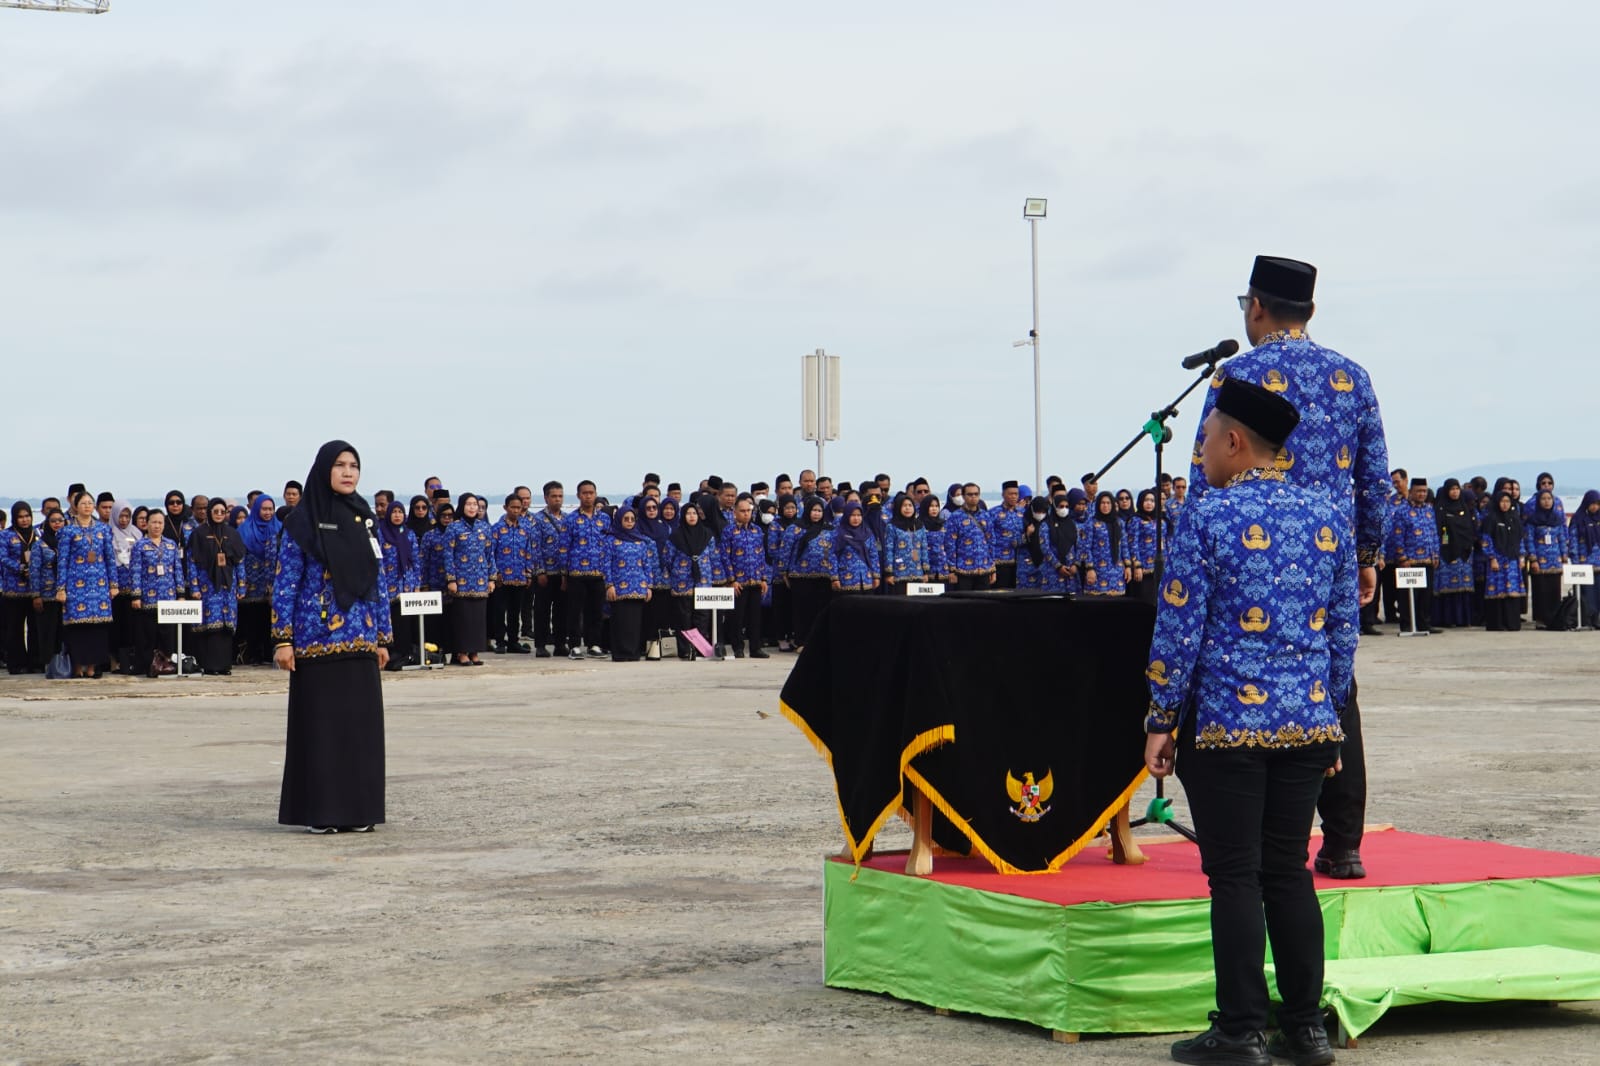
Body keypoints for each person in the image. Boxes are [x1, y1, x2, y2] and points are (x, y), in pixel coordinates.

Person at [1147, 378, 1349, 1066]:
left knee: (1234, 875)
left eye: (1205, 439)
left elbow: (1178, 626)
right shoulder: (1328, 517)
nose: (1198, 452)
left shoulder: (1207, 516)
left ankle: (1239, 1032)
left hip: (1228, 723)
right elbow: (1343, 632)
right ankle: (1304, 1028)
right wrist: (1330, 716)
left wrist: (1159, 718)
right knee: (1289, 873)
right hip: (1307, 724)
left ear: (1235, 442)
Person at [1190, 254, 1390, 884]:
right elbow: (1375, 481)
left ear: (1255, 307)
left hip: (1244, 562)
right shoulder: (1351, 377)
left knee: (1238, 678)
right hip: (1323, 560)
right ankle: (1343, 842)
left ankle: (1248, 838)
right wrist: (1364, 559)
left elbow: (1206, 474)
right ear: (1309, 310)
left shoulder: (1236, 377)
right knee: (1336, 686)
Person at [274, 440, 391, 834]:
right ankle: (322, 812)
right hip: (314, 640)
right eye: (339, 465)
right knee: (322, 730)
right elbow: (286, 582)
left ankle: (360, 811)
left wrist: (383, 637)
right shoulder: (300, 523)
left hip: (360, 639)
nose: (347, 472)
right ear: (324, 469)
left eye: (354, 466)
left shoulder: (365, 519)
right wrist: (282, 638)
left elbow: (379, 582)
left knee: (360, 730)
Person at [55, 490, 119, 679]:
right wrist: (61, 588)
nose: (87, 506)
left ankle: (92, 667)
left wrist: (113, 584)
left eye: (90, 503)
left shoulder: (102, 530)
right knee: (77, 629)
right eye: (83, 503)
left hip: (99, 585)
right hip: (76, 585)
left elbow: (109, 558)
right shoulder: (68, 531)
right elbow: (63, 561)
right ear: (76, 507)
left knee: (97, 630)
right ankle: (77, 667)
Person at [185, 498, 245, 675]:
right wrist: (194, 588)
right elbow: (192, 562)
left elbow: (239, 561)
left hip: (228, 585)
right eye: (215, 511)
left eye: (222, 511)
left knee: (225, 627)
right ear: (210, 512)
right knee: (210, 626)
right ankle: (210, 665)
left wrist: (241, 586)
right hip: (207, 586)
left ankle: (224, 665)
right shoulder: (199, 533)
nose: (219, 514)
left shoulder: (232, 533)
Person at [663, 502, 728, 659]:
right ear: (683, 516)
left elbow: (714, 558)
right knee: (684, 617)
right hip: (682, 582)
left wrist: (720, 580)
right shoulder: (675, 537)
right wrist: (672, 578)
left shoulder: (707, 535)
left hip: (703, 582)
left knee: (702, 617)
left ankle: (700, 649)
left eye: (694, 513)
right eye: (688, 513)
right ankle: (685, 650)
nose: (691, 516)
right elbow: (667, 560)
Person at [559, 480, 610, 660]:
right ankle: (574, 645)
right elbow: (564, 547)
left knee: (596, 611)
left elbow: (608, 545)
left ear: (595, 494)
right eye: (584, 493)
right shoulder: (570, 519)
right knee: (574, 611)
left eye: (591, 493)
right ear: (579, 495)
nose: (588, 496)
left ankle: (593, 644)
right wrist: (564, 575)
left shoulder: (604, 519)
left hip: (598, 573)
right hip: (576, 573)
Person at [602, 507, 660, 662]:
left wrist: (649, 586)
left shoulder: (641, 541)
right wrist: (609, 585)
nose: (629, 522)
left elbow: (647, 565)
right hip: (619, 587)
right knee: (620, 622)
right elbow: (606, 564)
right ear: (619, 520)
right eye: (625, 519)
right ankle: (621, 653)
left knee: (635, 623)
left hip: (638, 586)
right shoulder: (611, 540)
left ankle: (633, 653)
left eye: (632, 519)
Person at [1385, 477, 1441, 634]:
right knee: (1409, 596)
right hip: (1410, 560)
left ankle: (1424, 624)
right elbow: (1397, 536)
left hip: (1428, 559)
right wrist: (1402, 557)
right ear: (1411, 491)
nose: (1422, 494)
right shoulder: (1402, 511)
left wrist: (1435, 555)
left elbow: (1434, 534)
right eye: (1418, 491)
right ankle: (1408, 624)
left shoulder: (1429, 510)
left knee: (1426, 595)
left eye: (1424, 491)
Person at [444, 492, 495, 666]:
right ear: (461, 506)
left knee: (478, 619)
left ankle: (475, 652)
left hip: (481, 579)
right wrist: (451, 579)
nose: (473, 507)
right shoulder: (454, 527)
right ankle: (462, 652)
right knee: (463, 618)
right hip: (462, 580)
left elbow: (490, 554)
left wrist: (491, 578)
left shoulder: (484, 528)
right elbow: (448, 555)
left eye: (475, 504)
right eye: (469, 504)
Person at [721, 496, 769, 658]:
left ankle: (755, 648)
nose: (746, 514)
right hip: (738, 582)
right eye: (742, 511)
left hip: (755, 580)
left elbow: (762, 555)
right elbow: (725, 557)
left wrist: (764, 578)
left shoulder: (757, 530)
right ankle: (738, 647)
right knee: (737, 617)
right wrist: (731, 580)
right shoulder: (729, 531)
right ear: (735, 513)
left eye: (749, 511)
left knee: (755, 617)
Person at [237, 494, 282, 666]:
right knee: (252, 619)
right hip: (250, 582)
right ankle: (251, 653)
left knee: (269, 618)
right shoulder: (244, 529)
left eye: (271, 509)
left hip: (272, 582)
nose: (268, 512)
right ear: (256, 509)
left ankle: (268, 653)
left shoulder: (279, 528)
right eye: (264, 509)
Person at [377, 499, 421, 670]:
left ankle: (405, 653)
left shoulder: (408, 534)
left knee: (406, 622)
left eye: (400, 512)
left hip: (407, 585)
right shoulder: (381, 533)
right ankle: (390, 653)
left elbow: (416, 560)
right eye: (394, 512)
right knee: (391, 620)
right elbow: (377, 560)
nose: (397, 515)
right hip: (388, 585)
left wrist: (417, 583)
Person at [489, 493, 536, 654]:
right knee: (500, 611)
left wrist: (528, 574)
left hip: (520, 578)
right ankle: (500, 642)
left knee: (515, 612)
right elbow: (491, 553)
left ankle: (514, 641)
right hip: (502, 578)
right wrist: (495, 574)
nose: (516, 510)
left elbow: (529, 552)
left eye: (518, 507)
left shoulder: (526, 529)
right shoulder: (497, 528)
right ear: (505, 508)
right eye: (513, 507)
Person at [1, 502, 42, 673]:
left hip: (34, 589)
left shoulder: (38, 534)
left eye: (27, 516)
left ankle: (35, 662)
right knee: (15, 628)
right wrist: (20, 568)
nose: (24, 520)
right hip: (13, 590)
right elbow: (2, 557)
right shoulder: (6, 535)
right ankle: (17, 663)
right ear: (15, 518)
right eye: (20, 517)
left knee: (34, 628)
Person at [529, 481, 568, 658]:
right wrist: (540, 571)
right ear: (546, 497)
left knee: (562, 610)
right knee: (542, 610)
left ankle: (560, 644)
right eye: (554, 496)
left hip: (562, 573)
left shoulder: (568, 518)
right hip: (545, 572)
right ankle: (541, 645)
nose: (557, 499)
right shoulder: (537, 519)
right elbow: (535, 547)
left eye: (560, 496)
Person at [1432, 480, 1477, 628]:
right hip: (1446, 552)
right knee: (1447, 587)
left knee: (1464, 587)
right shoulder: (1440, 508)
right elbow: (1438, 531)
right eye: (1452, 489)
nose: (1455, 492)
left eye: (1457, 488)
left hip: (1465, 553)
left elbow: (1471, 529)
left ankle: (1463, 618)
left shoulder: (1465, 508)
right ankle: (1447, 619)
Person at [1481, 490, 1526, 631]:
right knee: (1497, 591)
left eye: (1508, 501)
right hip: (1497, 560)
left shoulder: (1515, 518)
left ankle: (1512, 623)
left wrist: (1522, 556)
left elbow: (1520, 539)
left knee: (1512, 592)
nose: (1505, 505)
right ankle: (1497, 624)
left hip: (1512, 560)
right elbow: (1486, 540)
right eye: (1502, 501)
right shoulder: (1491, 519)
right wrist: (1492, 558)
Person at [944, 484, 996, 590]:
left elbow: (991, 542)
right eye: (970, 494)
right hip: (963, 570)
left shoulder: (985, 516)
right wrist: (952, 570)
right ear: (963, 496)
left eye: (976, 494)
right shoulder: (955, 517)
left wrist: (992, 569)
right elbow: (950, 544)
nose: (973, 497)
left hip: (984, 569)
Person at [1081, 492, 1129, 596]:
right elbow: (1086, 548)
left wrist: (1128, 566)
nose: (1105, 506)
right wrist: (1089, 569)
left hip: (1117, 572)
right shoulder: (1091, 523)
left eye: (1108, 503)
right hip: (1098, 571)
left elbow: (1124, 546)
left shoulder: (1119, 523)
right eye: (1102, 503)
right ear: (1098, 505)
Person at [830, 501, 880, 597]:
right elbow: (832, 556)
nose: (856, 518)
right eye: (852, 515)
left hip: (866, 579)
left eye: (859, 515)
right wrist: (834, 578)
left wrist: (876, 576)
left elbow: (874, 555)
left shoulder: (868, 533)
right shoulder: (838, 533)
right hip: (846, 580)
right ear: (846, 515)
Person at [1568, 490, 1600, 627]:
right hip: (1584, 562)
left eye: (1598, 504)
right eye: (1592, 503)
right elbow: (1573, 540)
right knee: (1586, 594)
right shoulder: (1578, 518)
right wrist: (1575, 561)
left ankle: (1597, 619)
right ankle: (1586, 619)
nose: (1595, 507)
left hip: (1599, 563)